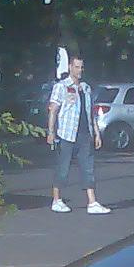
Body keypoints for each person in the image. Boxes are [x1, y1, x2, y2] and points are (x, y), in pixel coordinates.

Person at [46, 54, 110, 214]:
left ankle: (92, 202)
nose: (80, 70)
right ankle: (56, 200)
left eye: (81, 67)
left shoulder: (86, 88)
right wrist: (51, 132)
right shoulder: (61, 86)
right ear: (69, 67)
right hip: (66, 134)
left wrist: (96, 134)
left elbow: (91, 114)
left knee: (88, 168)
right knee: (63, 168)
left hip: (84, 135)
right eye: (76, 67)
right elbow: (53, 110)